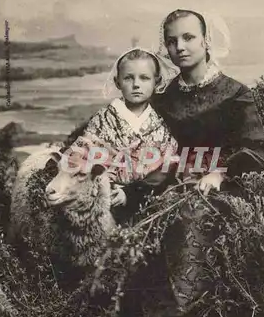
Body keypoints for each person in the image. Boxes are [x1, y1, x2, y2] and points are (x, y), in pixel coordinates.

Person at [130, 9, 264, 317]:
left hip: (225, 188)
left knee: (190, 215)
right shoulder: (164, 99)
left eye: (189, 37)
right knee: (143, 213)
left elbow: (257, 152)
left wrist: (219, 173)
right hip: (175, 185)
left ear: (207, 41)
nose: (180, 46)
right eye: (172, 40)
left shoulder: (235, 94)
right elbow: (150, 146)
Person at [66, 48, 179, 222]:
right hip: (107, 199)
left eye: (144, 78)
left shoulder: (161, 124)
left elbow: (167, 167)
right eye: (128, 78)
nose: (136, 84)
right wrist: (107, 187)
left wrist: (133, 192)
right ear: (117, 82)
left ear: (156, 82)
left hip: (148, 200)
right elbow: (84, 158)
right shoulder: (103, 120)